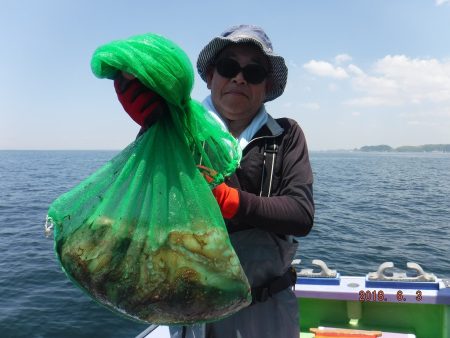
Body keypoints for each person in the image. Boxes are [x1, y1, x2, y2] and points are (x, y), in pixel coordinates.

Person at [114, 25, 314, 338]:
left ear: (267, 85)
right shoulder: (176, 129)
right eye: (228, 67)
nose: (239, 77)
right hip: (190, 309)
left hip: (266, 310)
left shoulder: (285, 135)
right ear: (210, 76)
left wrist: (225, 198)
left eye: (254, 72)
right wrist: (153, 128)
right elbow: (143, 202)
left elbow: (300, 214)